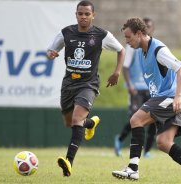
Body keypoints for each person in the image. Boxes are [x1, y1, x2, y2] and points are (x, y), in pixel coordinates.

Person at [112, 18, 181, 183]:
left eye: (129, 37)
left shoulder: (158, 50)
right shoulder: (142, 52)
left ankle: (132, 169)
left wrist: (177, 96)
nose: (126, 41)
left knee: (136, 119)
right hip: (166, 97)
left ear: (140, 34)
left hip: (171, 97)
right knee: (163, 142)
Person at [47, 0, 125, 177]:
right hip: (68, 84)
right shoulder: (66, 32)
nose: (83, 17)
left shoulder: (101, 35)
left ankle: (69, 162)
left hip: (88, 84)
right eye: (80, 14)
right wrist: (51, 54)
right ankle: (90, 123)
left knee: (76, 119)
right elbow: (51, 50)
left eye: (87, 14)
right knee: (70, 122)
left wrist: (117, 72)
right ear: (76, 14)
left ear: (93, 15)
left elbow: (121, 50)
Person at [114, 17, 156, 158]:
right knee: (135, 119)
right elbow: (125, 67)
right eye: (146, 26)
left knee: (154, 119)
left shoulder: (155, 46)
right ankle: (120, 139)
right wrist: (130, 85)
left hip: (151, 89)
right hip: (136, 88)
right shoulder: (132, 45)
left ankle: (147, 151)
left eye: (150, 26)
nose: (148, 28)